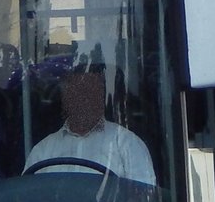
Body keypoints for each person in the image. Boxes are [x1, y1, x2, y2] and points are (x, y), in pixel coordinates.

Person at [23, 66, 157, 186]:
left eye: (90, 92)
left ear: (101, 98)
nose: (83, 100)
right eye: (77, 93)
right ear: (66, 99)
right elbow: (29, 200)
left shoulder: (127, 144)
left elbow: (142, 200)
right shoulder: (43, 149)